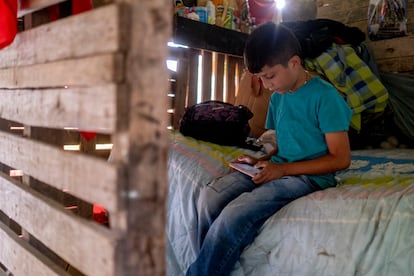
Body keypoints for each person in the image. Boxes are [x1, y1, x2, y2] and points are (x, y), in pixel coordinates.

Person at [186, 22, 352, 276]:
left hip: (310, 177)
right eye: (260, 78)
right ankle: (211, 266)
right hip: (280, 167)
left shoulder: (325, 97)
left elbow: (341, 159)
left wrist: (282, 169)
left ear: (294, 63)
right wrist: (260, 160)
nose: (265, 85)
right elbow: (282, 142)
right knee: (210, 197)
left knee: (234, 214)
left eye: (270, 76)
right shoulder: (278, 97)